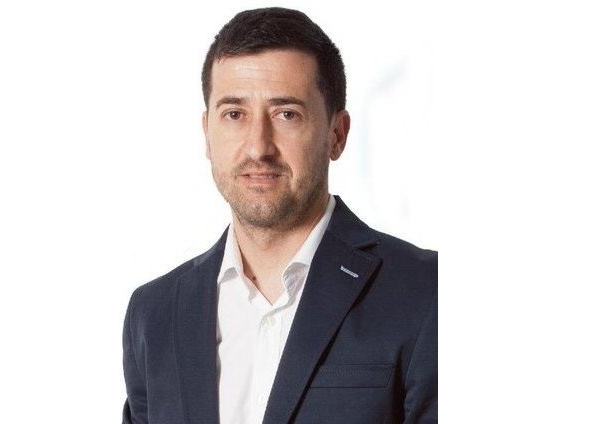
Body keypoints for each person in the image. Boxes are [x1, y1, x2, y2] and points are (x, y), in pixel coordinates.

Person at [122, 7, 437, 424]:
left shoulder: (427, 292)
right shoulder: (154, 313)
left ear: (337, 134)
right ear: (207, 134)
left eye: (286, 114)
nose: (258, 147)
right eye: (234, 114)